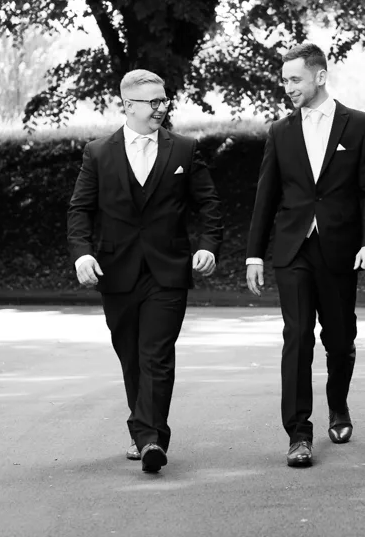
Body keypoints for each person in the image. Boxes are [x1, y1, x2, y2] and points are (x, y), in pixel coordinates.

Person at [67, 69, 223, 474]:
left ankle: (151, 437)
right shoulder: (98, 152)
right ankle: (145, 431)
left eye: (163, 100)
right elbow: (80, 208)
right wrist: (82, 254)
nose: (161, 107)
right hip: (116, 272)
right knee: (130, 355)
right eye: (152, 102)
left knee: (156, 353)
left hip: (168, 270)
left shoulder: (184, 151)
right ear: (127, 106)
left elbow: (209, 205)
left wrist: (207, 246)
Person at [246, 42, 365, 468]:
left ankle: (338, 404)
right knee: (297, 337)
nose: (288, 87)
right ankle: (299, 433)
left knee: (340, 340)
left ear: (320, 76)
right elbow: (265, 196)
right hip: (292, 250)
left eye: (295, 79)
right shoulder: (280, 131)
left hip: (341, 249)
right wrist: (254, 254)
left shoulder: (361, 126)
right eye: (284, 80)